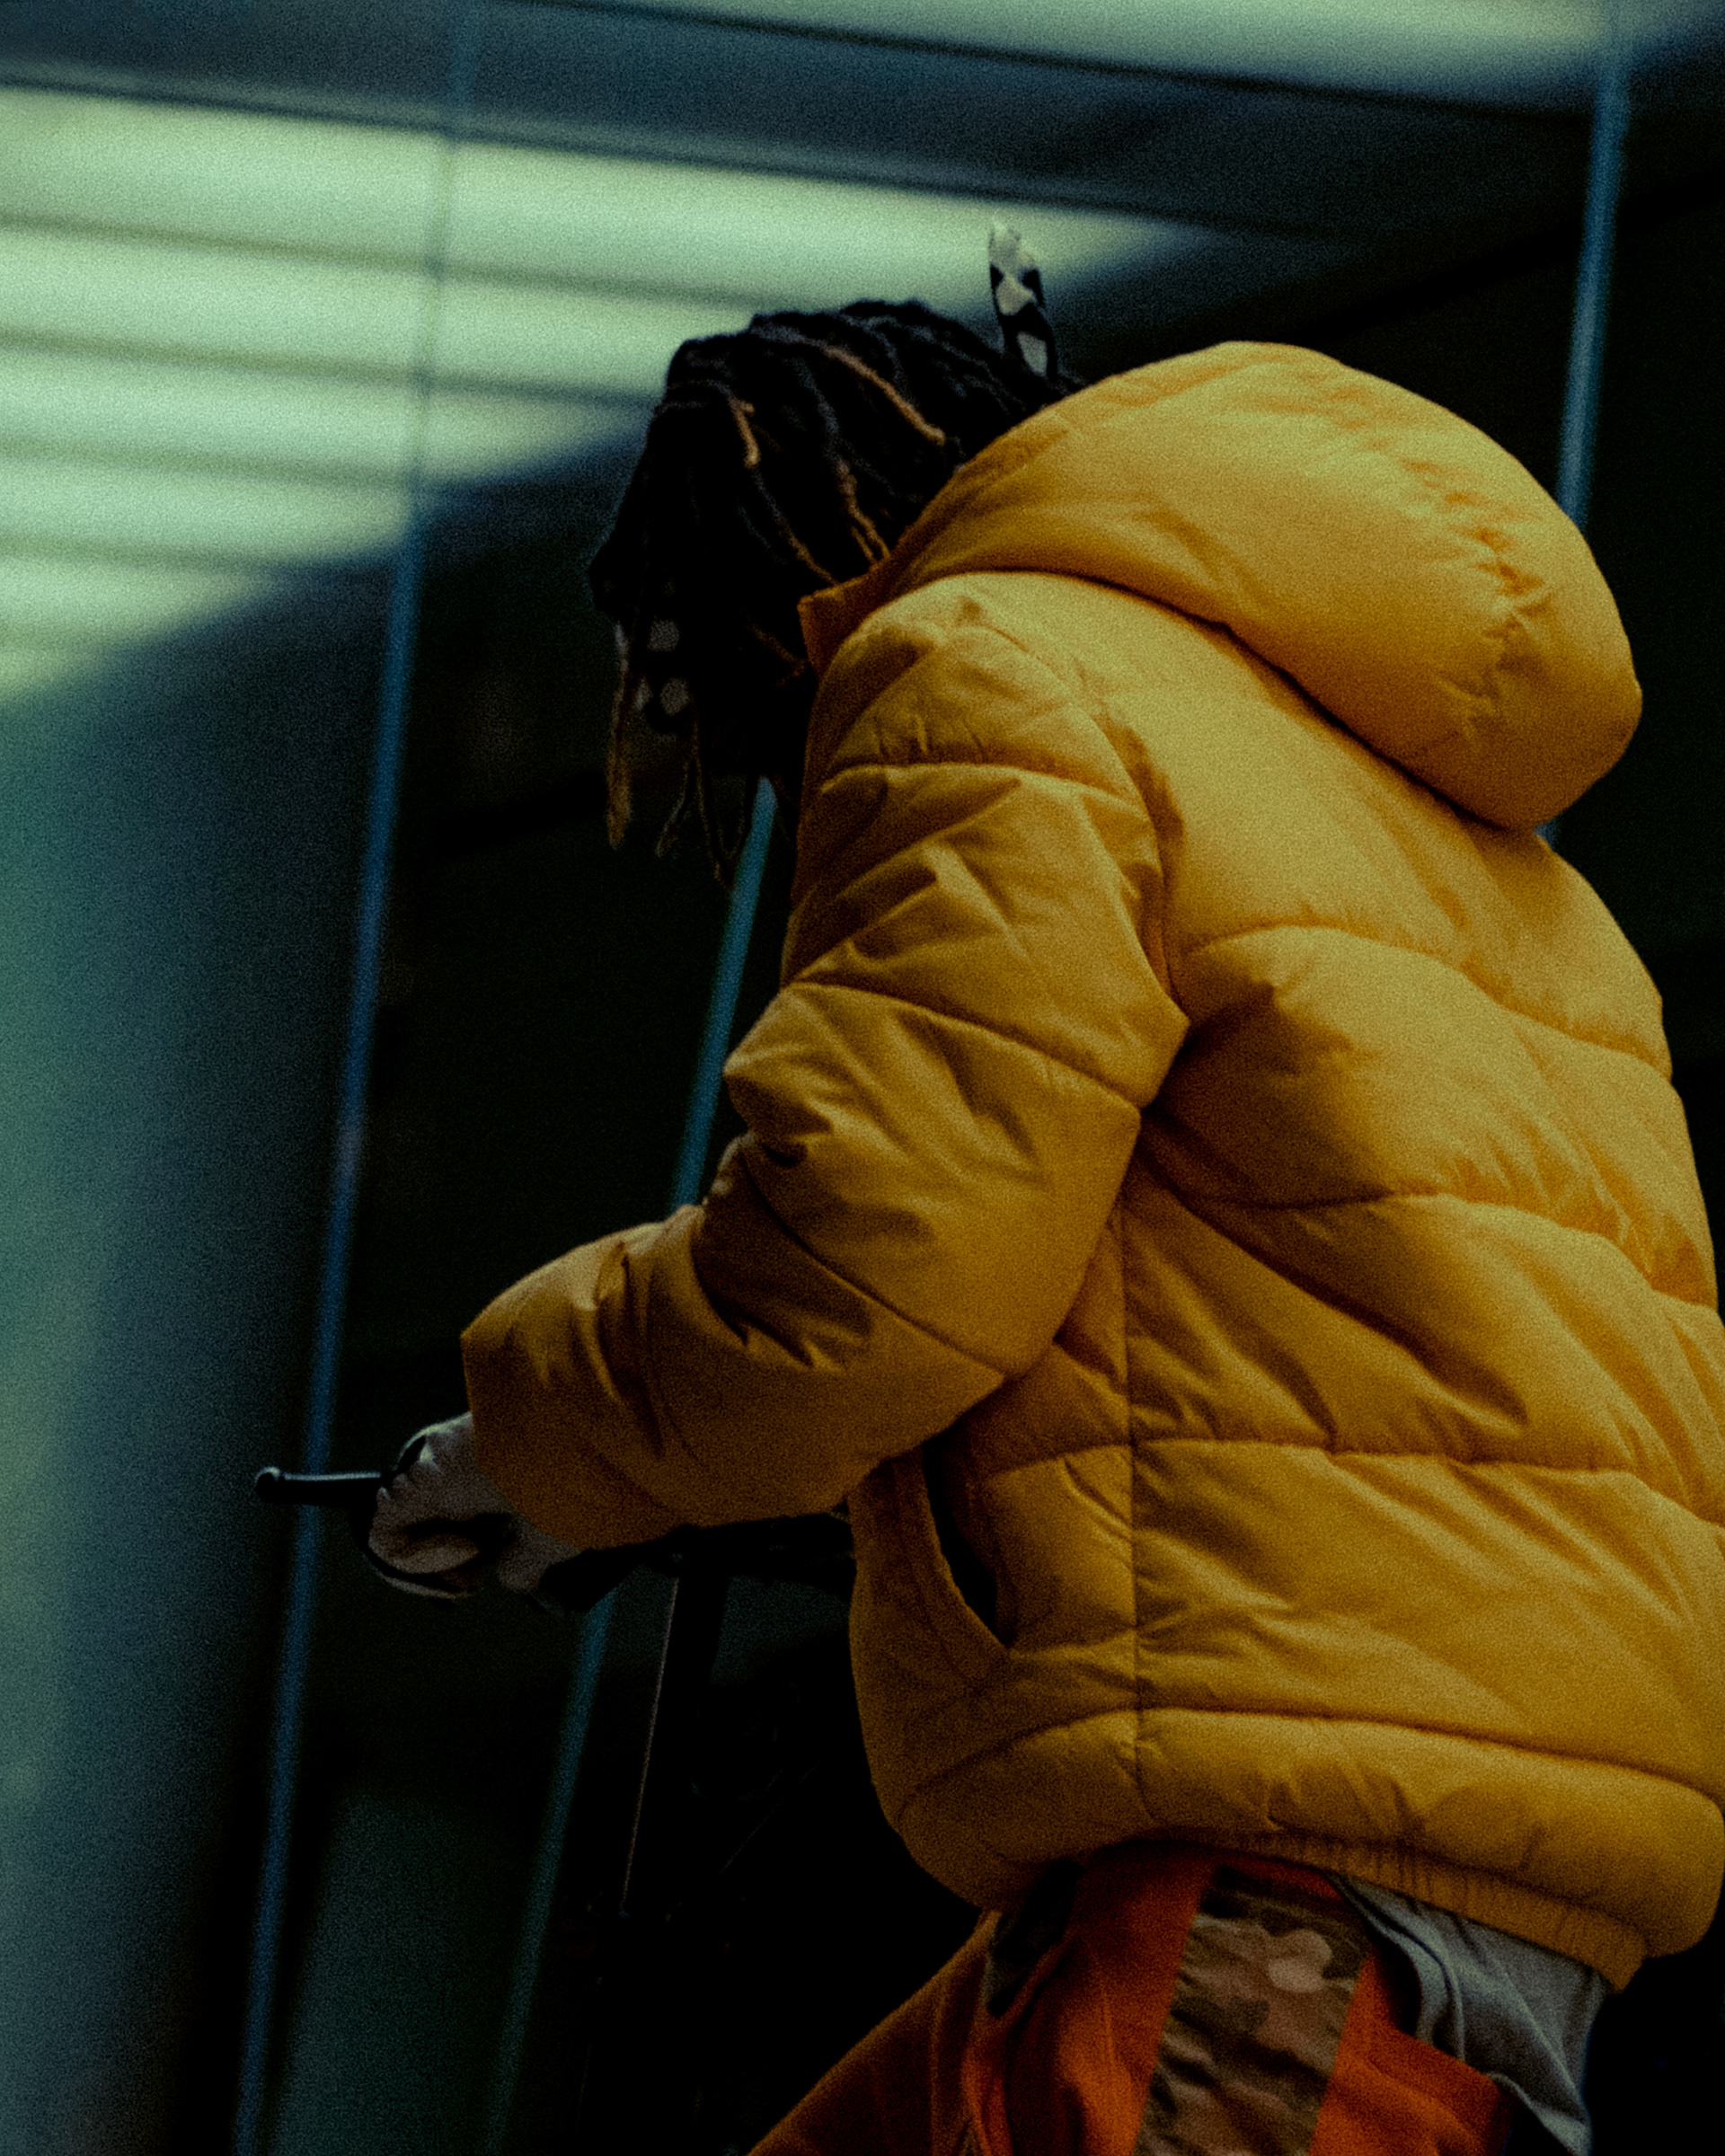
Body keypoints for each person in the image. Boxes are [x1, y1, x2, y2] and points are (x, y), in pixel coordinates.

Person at [369, 232, 1725, 2155]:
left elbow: (865, 1268)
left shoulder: (977, 666)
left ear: (790, 598)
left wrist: (533, 1439)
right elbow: (1211, 1321)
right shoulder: (1423, 801)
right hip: (1448, 1867)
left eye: (714, 704)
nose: (750, 777)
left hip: (1268, 1910)